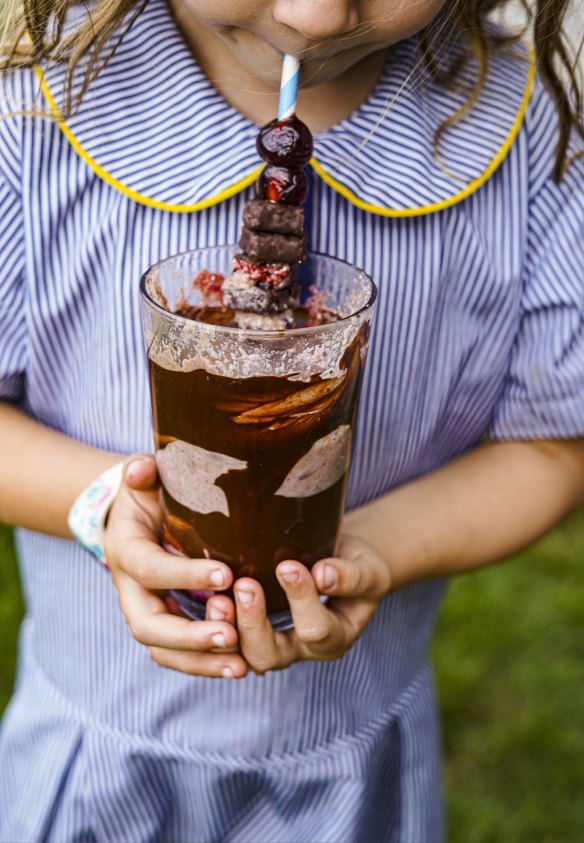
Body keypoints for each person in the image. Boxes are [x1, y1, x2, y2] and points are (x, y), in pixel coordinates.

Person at [0, 0, 583, 840]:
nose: (315, 16)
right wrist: (102, 503)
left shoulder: (531, 135)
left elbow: (556, 443)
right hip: (93, 764)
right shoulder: (30, 116)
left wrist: (380, 546)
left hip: (357, 774)